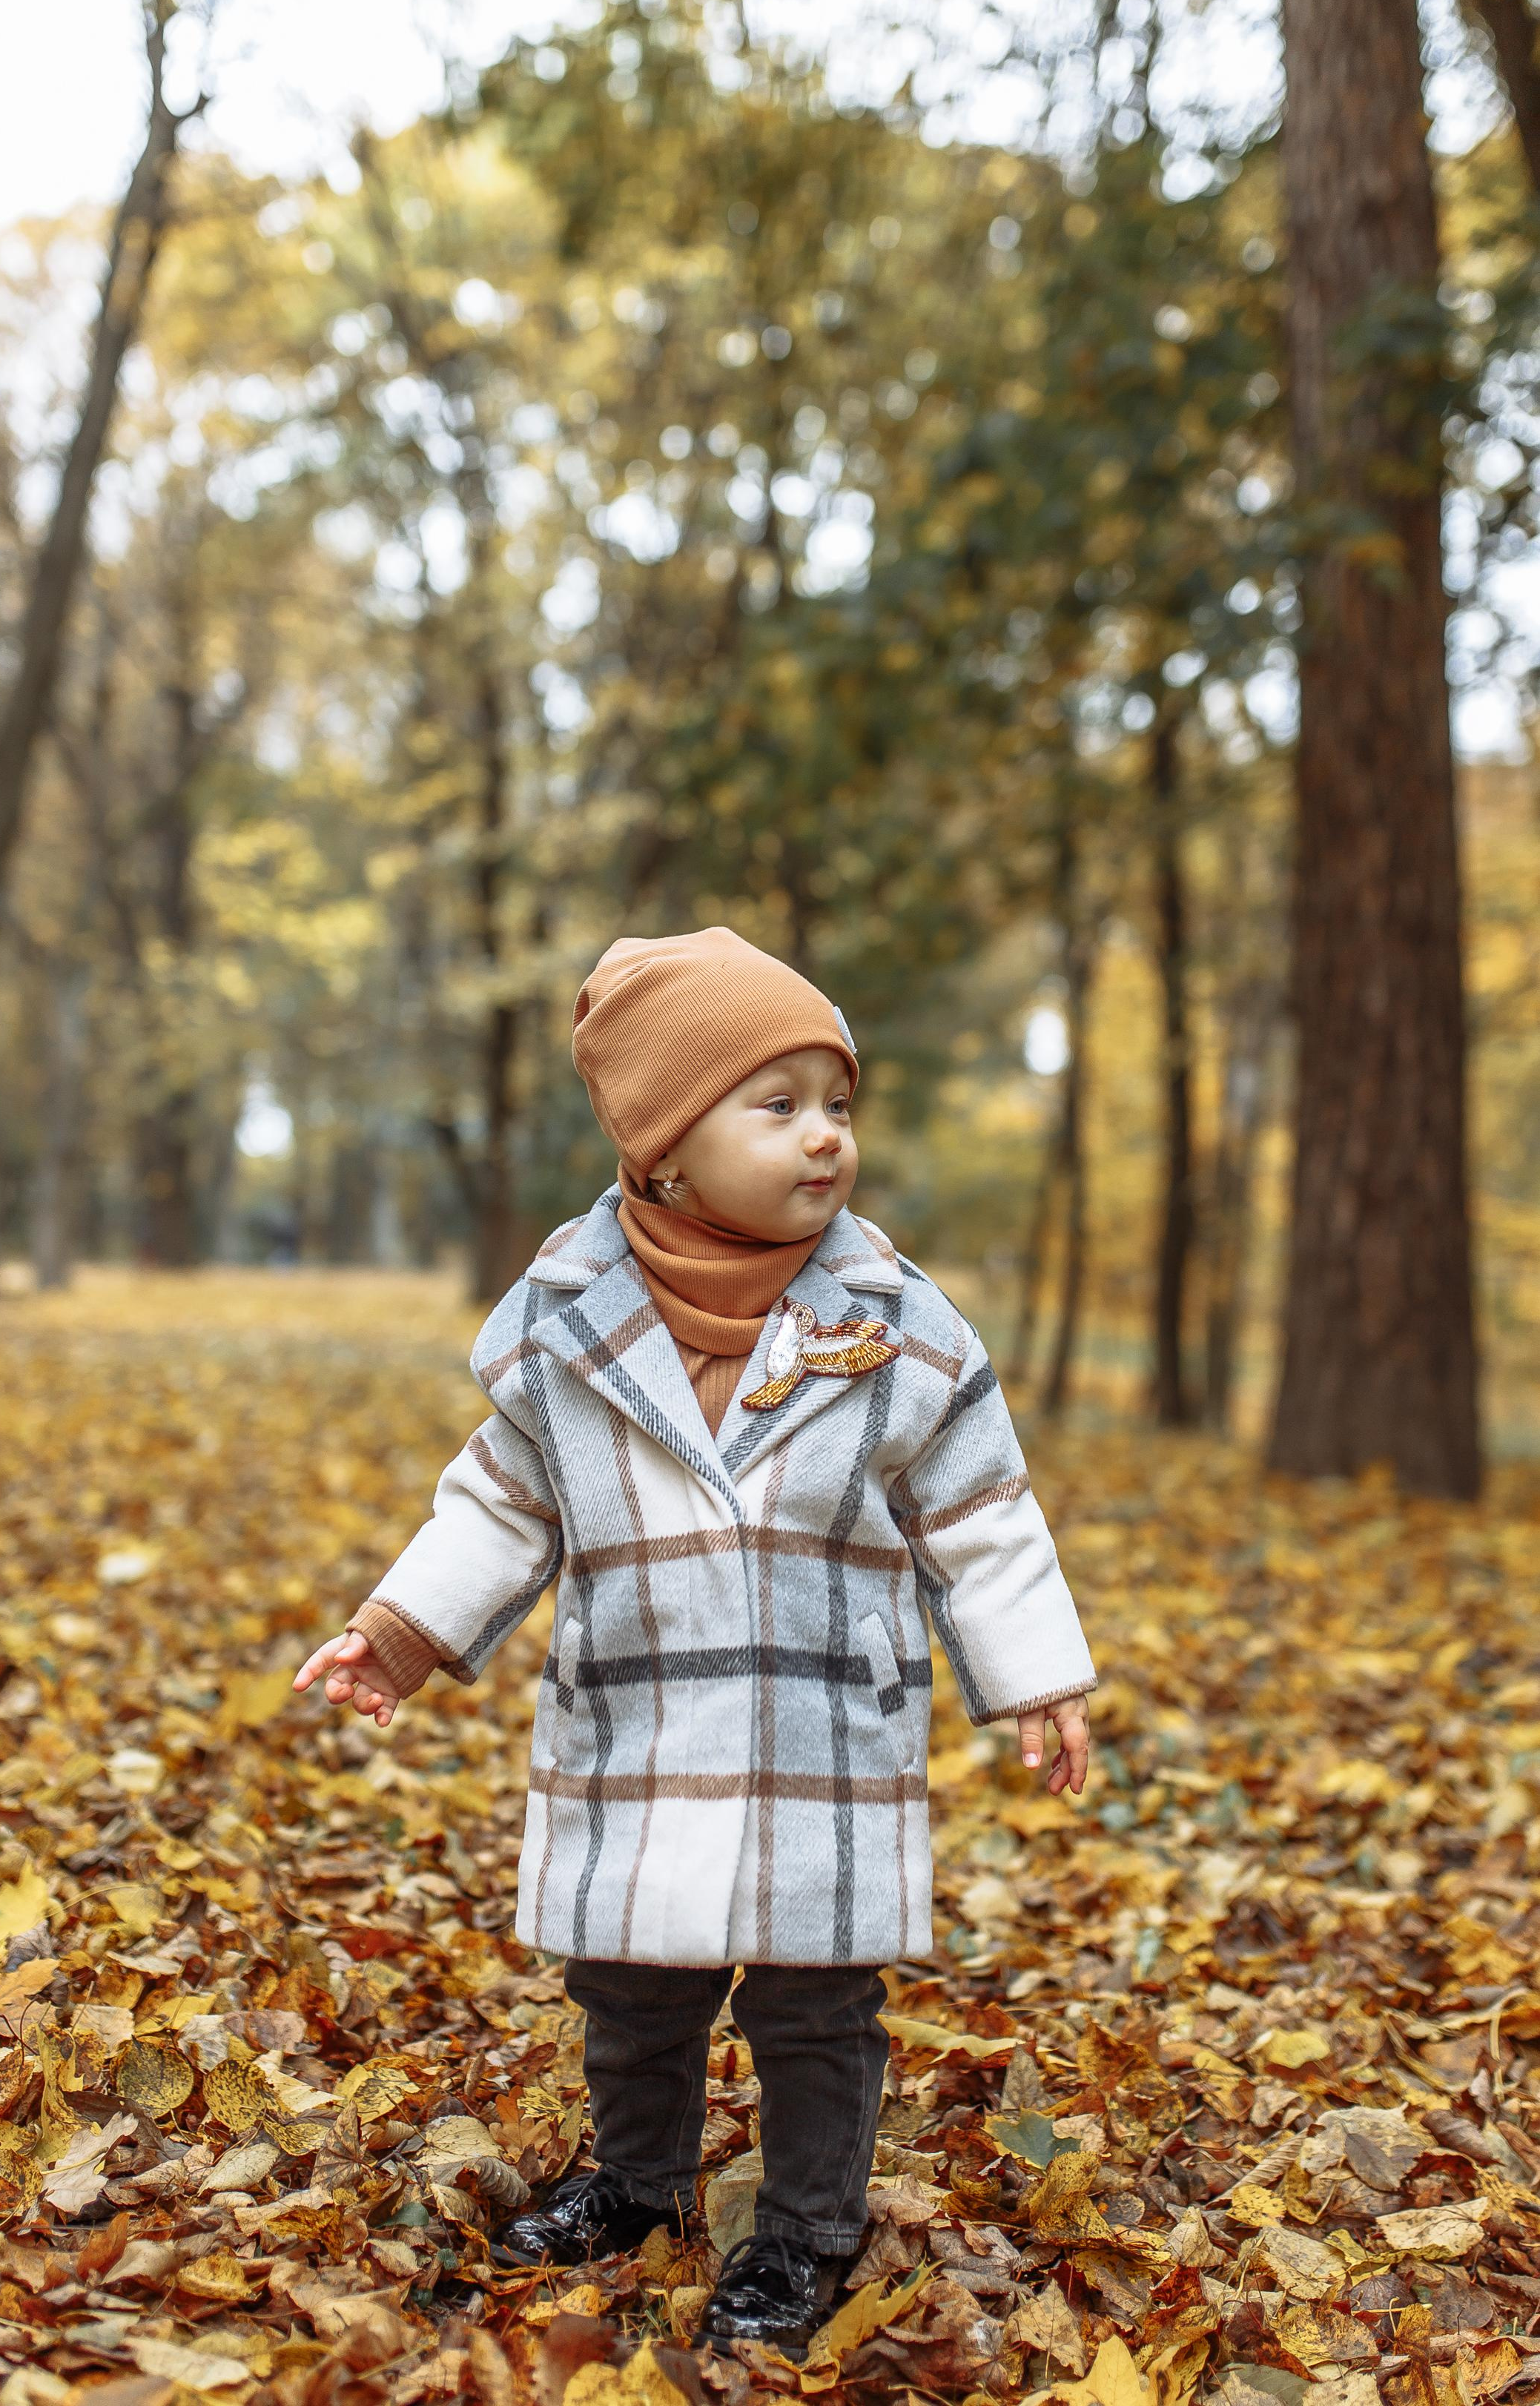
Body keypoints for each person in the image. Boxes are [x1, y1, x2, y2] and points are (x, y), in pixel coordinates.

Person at [295, 928, 1095, 2357]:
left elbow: (981, 1508)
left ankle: (802, 2233)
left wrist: (1035, 1671)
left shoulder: (899, 1327)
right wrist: (401, 1632)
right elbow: (504, 1500)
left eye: (836, 1103)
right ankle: (638, 2179)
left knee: (815, 2002)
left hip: (818, 1728)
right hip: (643, 1714)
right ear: (665, 1153)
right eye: (777, 1106)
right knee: (632, 1981)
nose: (825, 1136)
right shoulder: (570, 1327)